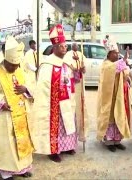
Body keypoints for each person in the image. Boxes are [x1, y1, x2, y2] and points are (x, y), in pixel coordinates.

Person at [0, 36, 34, 180]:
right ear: (5, 60)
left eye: (16, 65)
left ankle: (22, 167)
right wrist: (0, 102)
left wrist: (26, 89)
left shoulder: (19, 70)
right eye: (11, 65)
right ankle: (6, 173)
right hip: (4, 116)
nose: (14, 68)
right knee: (8, 145)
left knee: (23, 140)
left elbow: (31, 85)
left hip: (21, 112)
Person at [32, 24, 77, 163]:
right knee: (56, 126)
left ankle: (67, 146)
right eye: (63, 46)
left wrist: (77, 73)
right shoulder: (47, 65)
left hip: (66, 100)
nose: (65, 48)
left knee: (68, 123)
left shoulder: (66, 62)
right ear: (55, 47)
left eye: (65, 46)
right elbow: (43, 87)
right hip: (54, 103)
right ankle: (53, 150)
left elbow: (72, 79)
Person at [97, 41, 132, 152]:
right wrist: (124, 60)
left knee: (119, 116)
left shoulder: (117, 63)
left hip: (118, 95)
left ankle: (117, 141)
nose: (117, 55)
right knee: (110, 117)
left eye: (117, 53)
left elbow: (124, 71)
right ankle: (109, 141)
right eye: (114, 53)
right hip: (108, 96)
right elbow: (113, 69)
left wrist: (128, 76)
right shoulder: (106, 65)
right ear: (108, 54)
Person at [64, 42, 88, 142]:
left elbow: (84, 69)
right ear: (71, 46)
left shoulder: (81, 55)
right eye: (74, 45)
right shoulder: (68, 55)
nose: (76, 46)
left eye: (77, 45)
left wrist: (82, 69)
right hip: (72, 82)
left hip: (80, 83)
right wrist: (74, 69)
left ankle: (81, 133)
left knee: (80, 106)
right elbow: (66, 65)